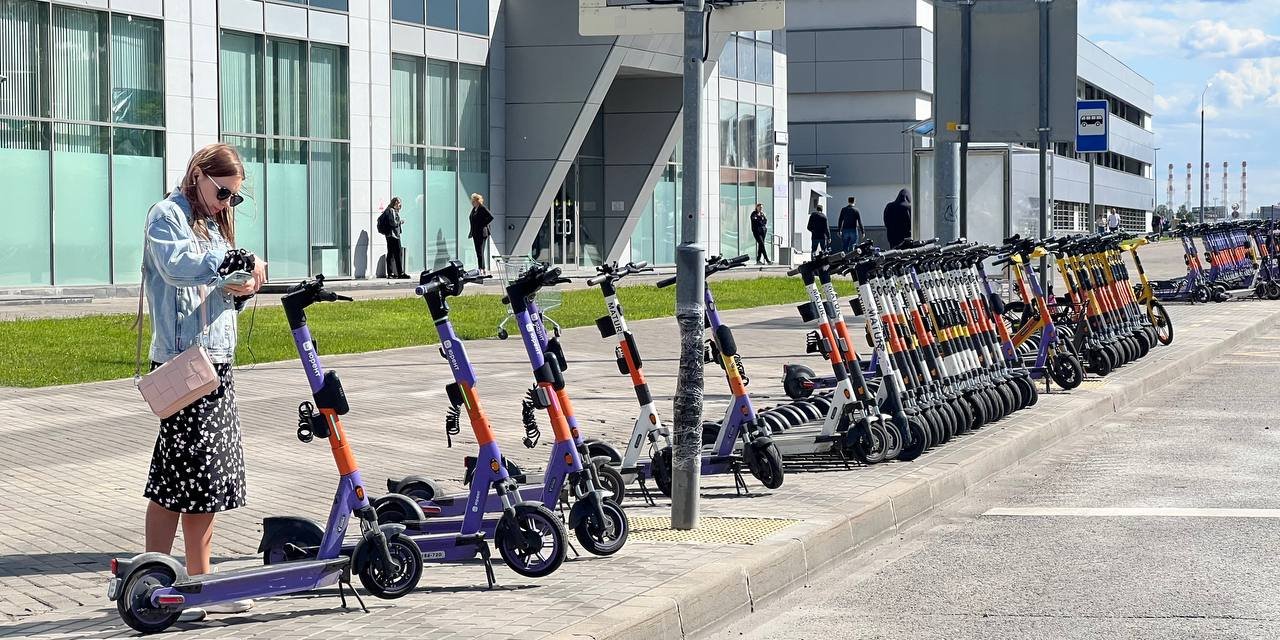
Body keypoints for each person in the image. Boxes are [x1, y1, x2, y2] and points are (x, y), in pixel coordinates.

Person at [141, 143, 266, 623]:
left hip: (212, 363)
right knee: (198, 480)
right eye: (223, 192)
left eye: (235, 198)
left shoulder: (211, 223)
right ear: (198, 175)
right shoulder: (166, 215)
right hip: (184, 365)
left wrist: (244, 285)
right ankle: (199, 584)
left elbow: (215, 296)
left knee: (174, 478)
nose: (227, 204)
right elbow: (175, 270)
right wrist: (227, 268)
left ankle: (154, 579)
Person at [377, 197, 407, 279]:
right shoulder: (391, 210)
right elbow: (393, 223)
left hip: (390, 235)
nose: (399, 205)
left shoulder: (389, 210)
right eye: (398, 203)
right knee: (397, 253)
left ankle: (391, 273)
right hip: (393, 235)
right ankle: (400, 273)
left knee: (391, 253)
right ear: (395, 203)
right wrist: (400, 222)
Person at [468, 193, 493, 274]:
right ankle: (482, 268)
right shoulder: (474, 209)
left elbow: (490, 217)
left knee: (480, 251)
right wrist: (471, 231)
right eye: (472, 201)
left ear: (478, 201)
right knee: (478, 251)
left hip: (482, 233)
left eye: (473, 201)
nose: (472, 202)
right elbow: (472, 220)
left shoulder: (482, 208)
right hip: (475, 233)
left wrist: (483, 224)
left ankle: (481, 268)